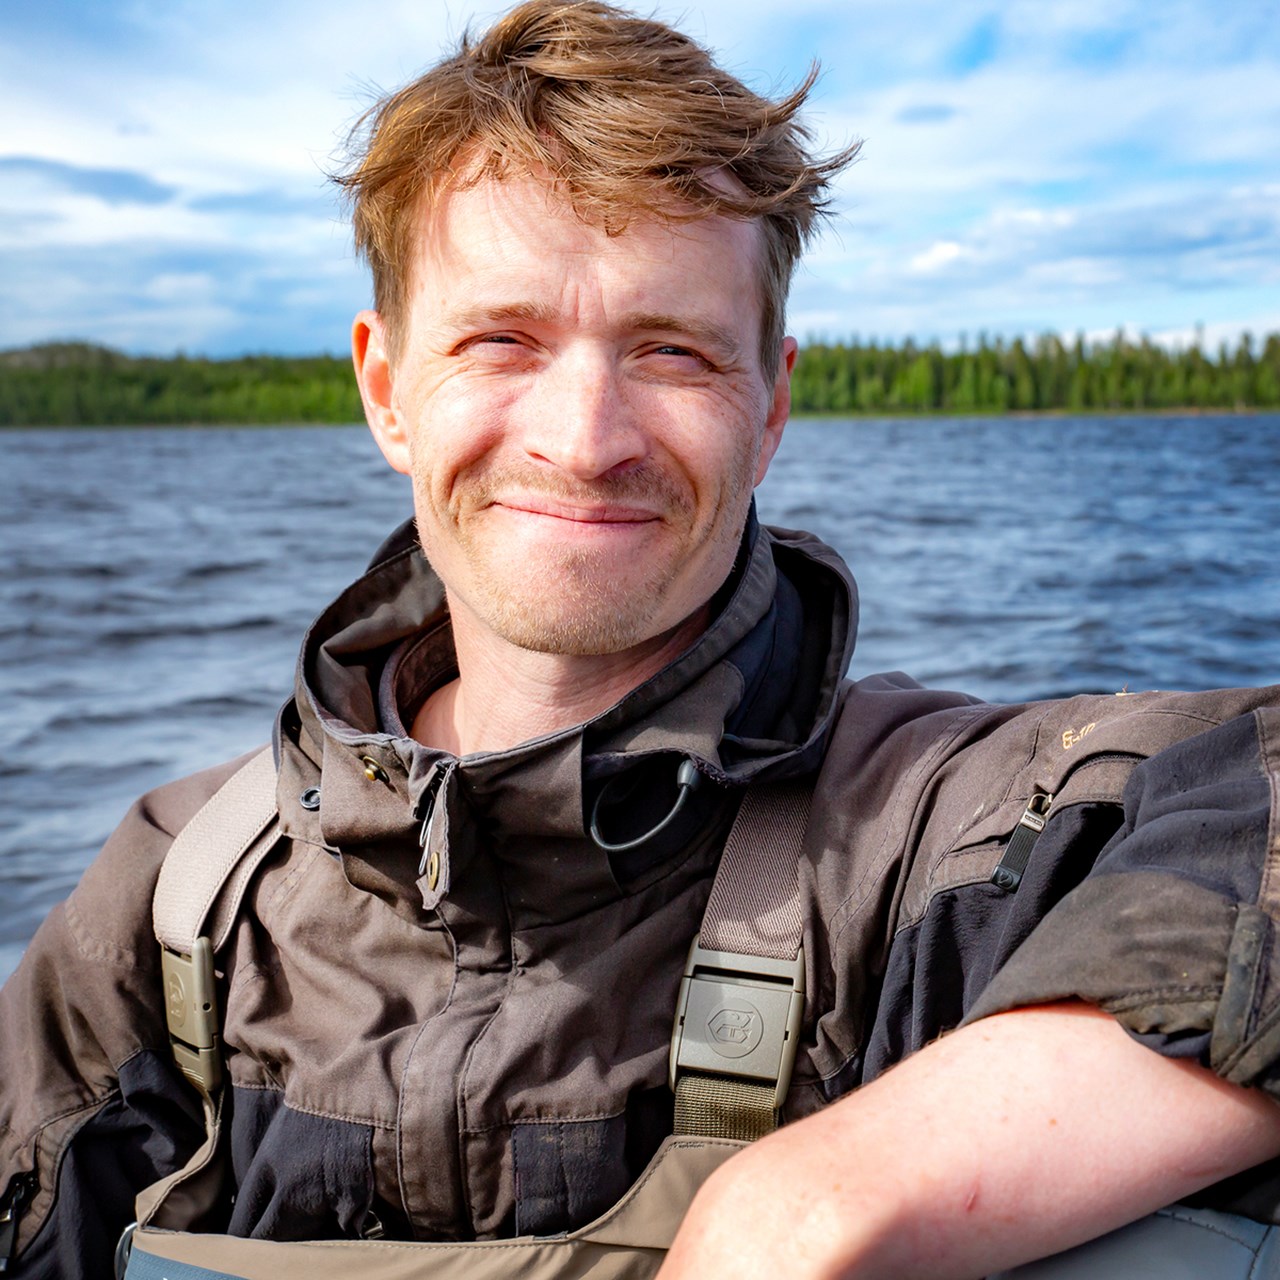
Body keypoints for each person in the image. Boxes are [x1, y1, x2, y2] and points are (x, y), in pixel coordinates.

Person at [3, 3, 1280, 1277]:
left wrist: (813, 1193)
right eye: (501, 340)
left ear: (768, 408)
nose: (583, 439)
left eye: (670, 352)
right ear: (385, 387)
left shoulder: (924, 842)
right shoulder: (176, 907)